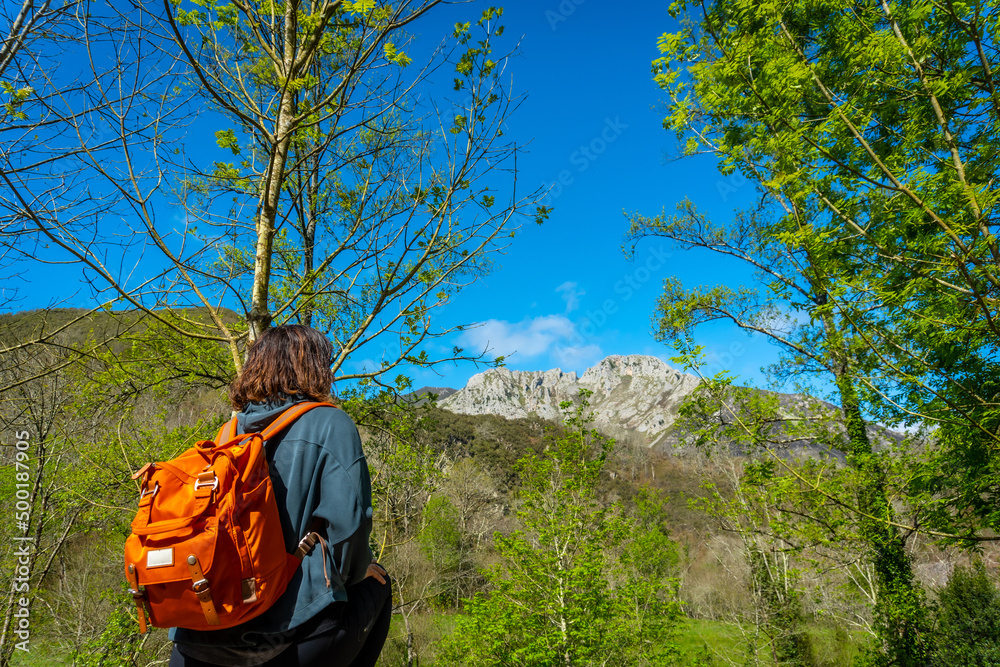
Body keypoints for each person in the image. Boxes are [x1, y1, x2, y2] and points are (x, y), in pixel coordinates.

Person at [168, 325, 392, 667]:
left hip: (202, 631)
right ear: (315, 368)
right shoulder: (330, 423)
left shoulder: (229, 432)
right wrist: (359, 572)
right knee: (379, 583)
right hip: (293, 637)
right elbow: (350, 528)